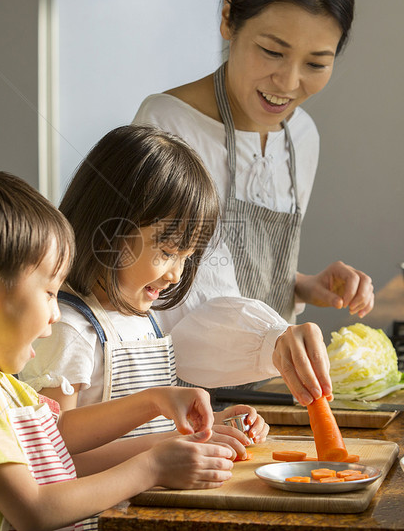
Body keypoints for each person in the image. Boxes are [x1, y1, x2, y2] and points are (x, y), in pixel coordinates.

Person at [0, 171, 235, 531]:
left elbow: (57, 433)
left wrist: (155, 400)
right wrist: (152, 468)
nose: (57, 313)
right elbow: (34, 510)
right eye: (49, 293)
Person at [132, 0, 374, 406]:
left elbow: (224, 264)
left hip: (268, 393)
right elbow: (165, 296)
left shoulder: (302, 138)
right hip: (181, 400)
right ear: (228, 19)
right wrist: (272, 341)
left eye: (316, 63)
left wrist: (299, 284)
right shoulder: (165, 126)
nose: (288, 82)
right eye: (272, 51)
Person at [20, 125, 269, 449]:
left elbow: (154, 430)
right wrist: (158, 452)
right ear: (108, 233)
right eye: (167, 253)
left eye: (186, 258)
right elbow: (55, 448)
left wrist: (214, 423)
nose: (176, 276)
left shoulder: (141, 319)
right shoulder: (70, 330)